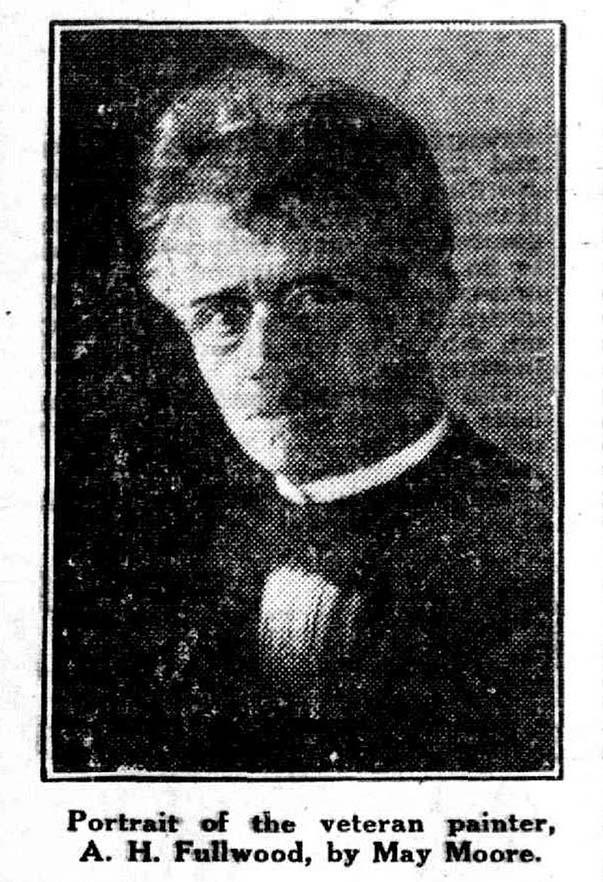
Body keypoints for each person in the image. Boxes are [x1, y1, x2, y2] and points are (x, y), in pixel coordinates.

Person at [134, 60, 555, 773]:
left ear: (420, 306)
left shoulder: (549, 558)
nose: (265, 357)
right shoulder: (173, 562)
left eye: (314, 299)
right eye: (221, 314)